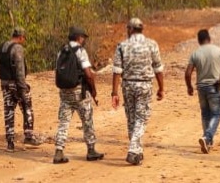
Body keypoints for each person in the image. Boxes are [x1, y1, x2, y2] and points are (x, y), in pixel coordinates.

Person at [111, 17, 164, 166]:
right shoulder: (151, 44)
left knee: (132, 119)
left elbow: (116, 70)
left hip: (127, 86)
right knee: (141, 119)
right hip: (145, 86)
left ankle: (137, 151)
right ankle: (134, 150)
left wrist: (114, 92)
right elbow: (158, 68)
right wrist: (161, 88)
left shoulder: (122, 46)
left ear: (131, 29)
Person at [53, 26, 104, 164]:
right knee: (87, 120)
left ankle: (59, 151)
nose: (84, 40)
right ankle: (91, 150)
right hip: (79, 92)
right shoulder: (80, 51)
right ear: (78, 37)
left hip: (64, 92)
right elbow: (88, 74)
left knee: (64, 122)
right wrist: (93, 90)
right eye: (83, 38)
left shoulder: (61, 50)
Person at [185, 29, 220, 154]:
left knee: (205, 114)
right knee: (216, 114)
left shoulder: (195, 53)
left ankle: (208, 142)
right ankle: (207, 137)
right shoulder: (218, 51)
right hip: (214, 87)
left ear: (199, 40)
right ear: (209, 38)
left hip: (201, 88)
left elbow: (188, 73)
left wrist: (189, 87)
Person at [0, 27, 42, 152]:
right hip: (16, 84)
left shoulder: (2, 46)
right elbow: (20, 70)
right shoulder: (17, 48)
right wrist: (22, 88)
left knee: (9, 112)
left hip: (5, 84)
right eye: (24, 38)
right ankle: (28, 135)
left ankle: (10, 143)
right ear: (21, 37)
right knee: (27, 107)